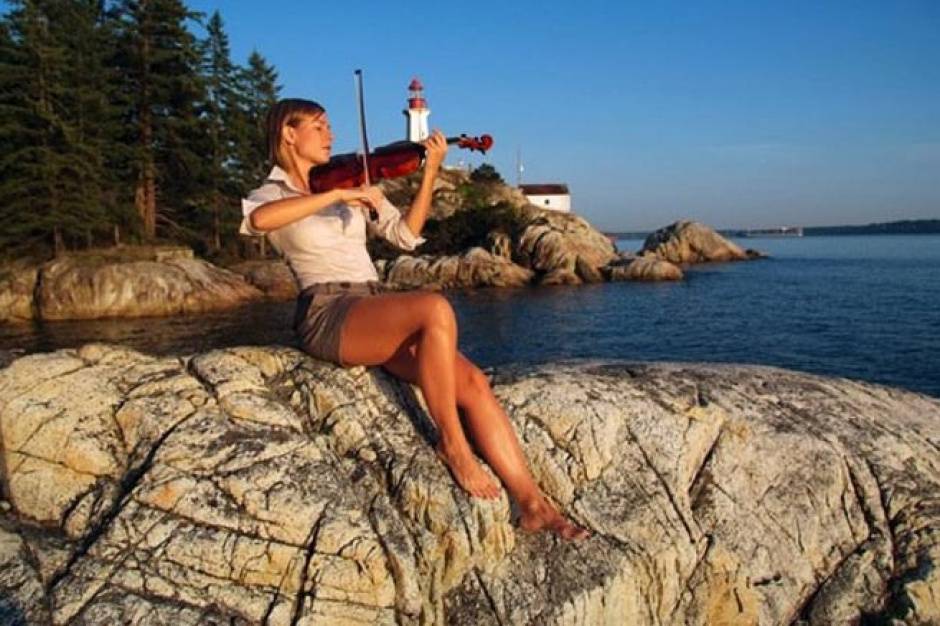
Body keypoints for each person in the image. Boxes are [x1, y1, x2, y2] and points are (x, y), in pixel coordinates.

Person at [241, 98, 589, 541]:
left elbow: (406, 236)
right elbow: (259, 220)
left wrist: (429, 172)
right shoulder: (276, 193)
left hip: (372, 309)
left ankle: (533, 505)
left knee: (474, 383)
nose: (331, 134)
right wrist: (334, 195)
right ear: (289, 134)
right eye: (319, 126)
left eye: (330, 127)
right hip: (327, 313)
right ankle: (453, 446)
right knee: (434, 307)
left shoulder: (354, 182)